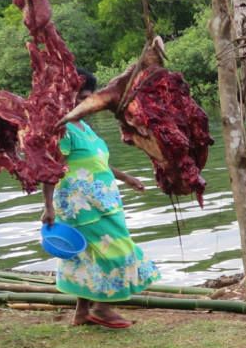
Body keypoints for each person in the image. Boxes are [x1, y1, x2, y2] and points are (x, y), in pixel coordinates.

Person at [41, 68, 160, 328]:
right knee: (115, 248)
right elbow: (50, 168)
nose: (82, 103)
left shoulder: (82, 126)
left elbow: (96, 162)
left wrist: (125, 176)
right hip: (81, 207)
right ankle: (103, 309)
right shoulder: (63, 129)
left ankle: (83, 313)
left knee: (86, 256)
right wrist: (48, 206)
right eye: (77, 96)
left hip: (102, 203)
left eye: (87, 97)